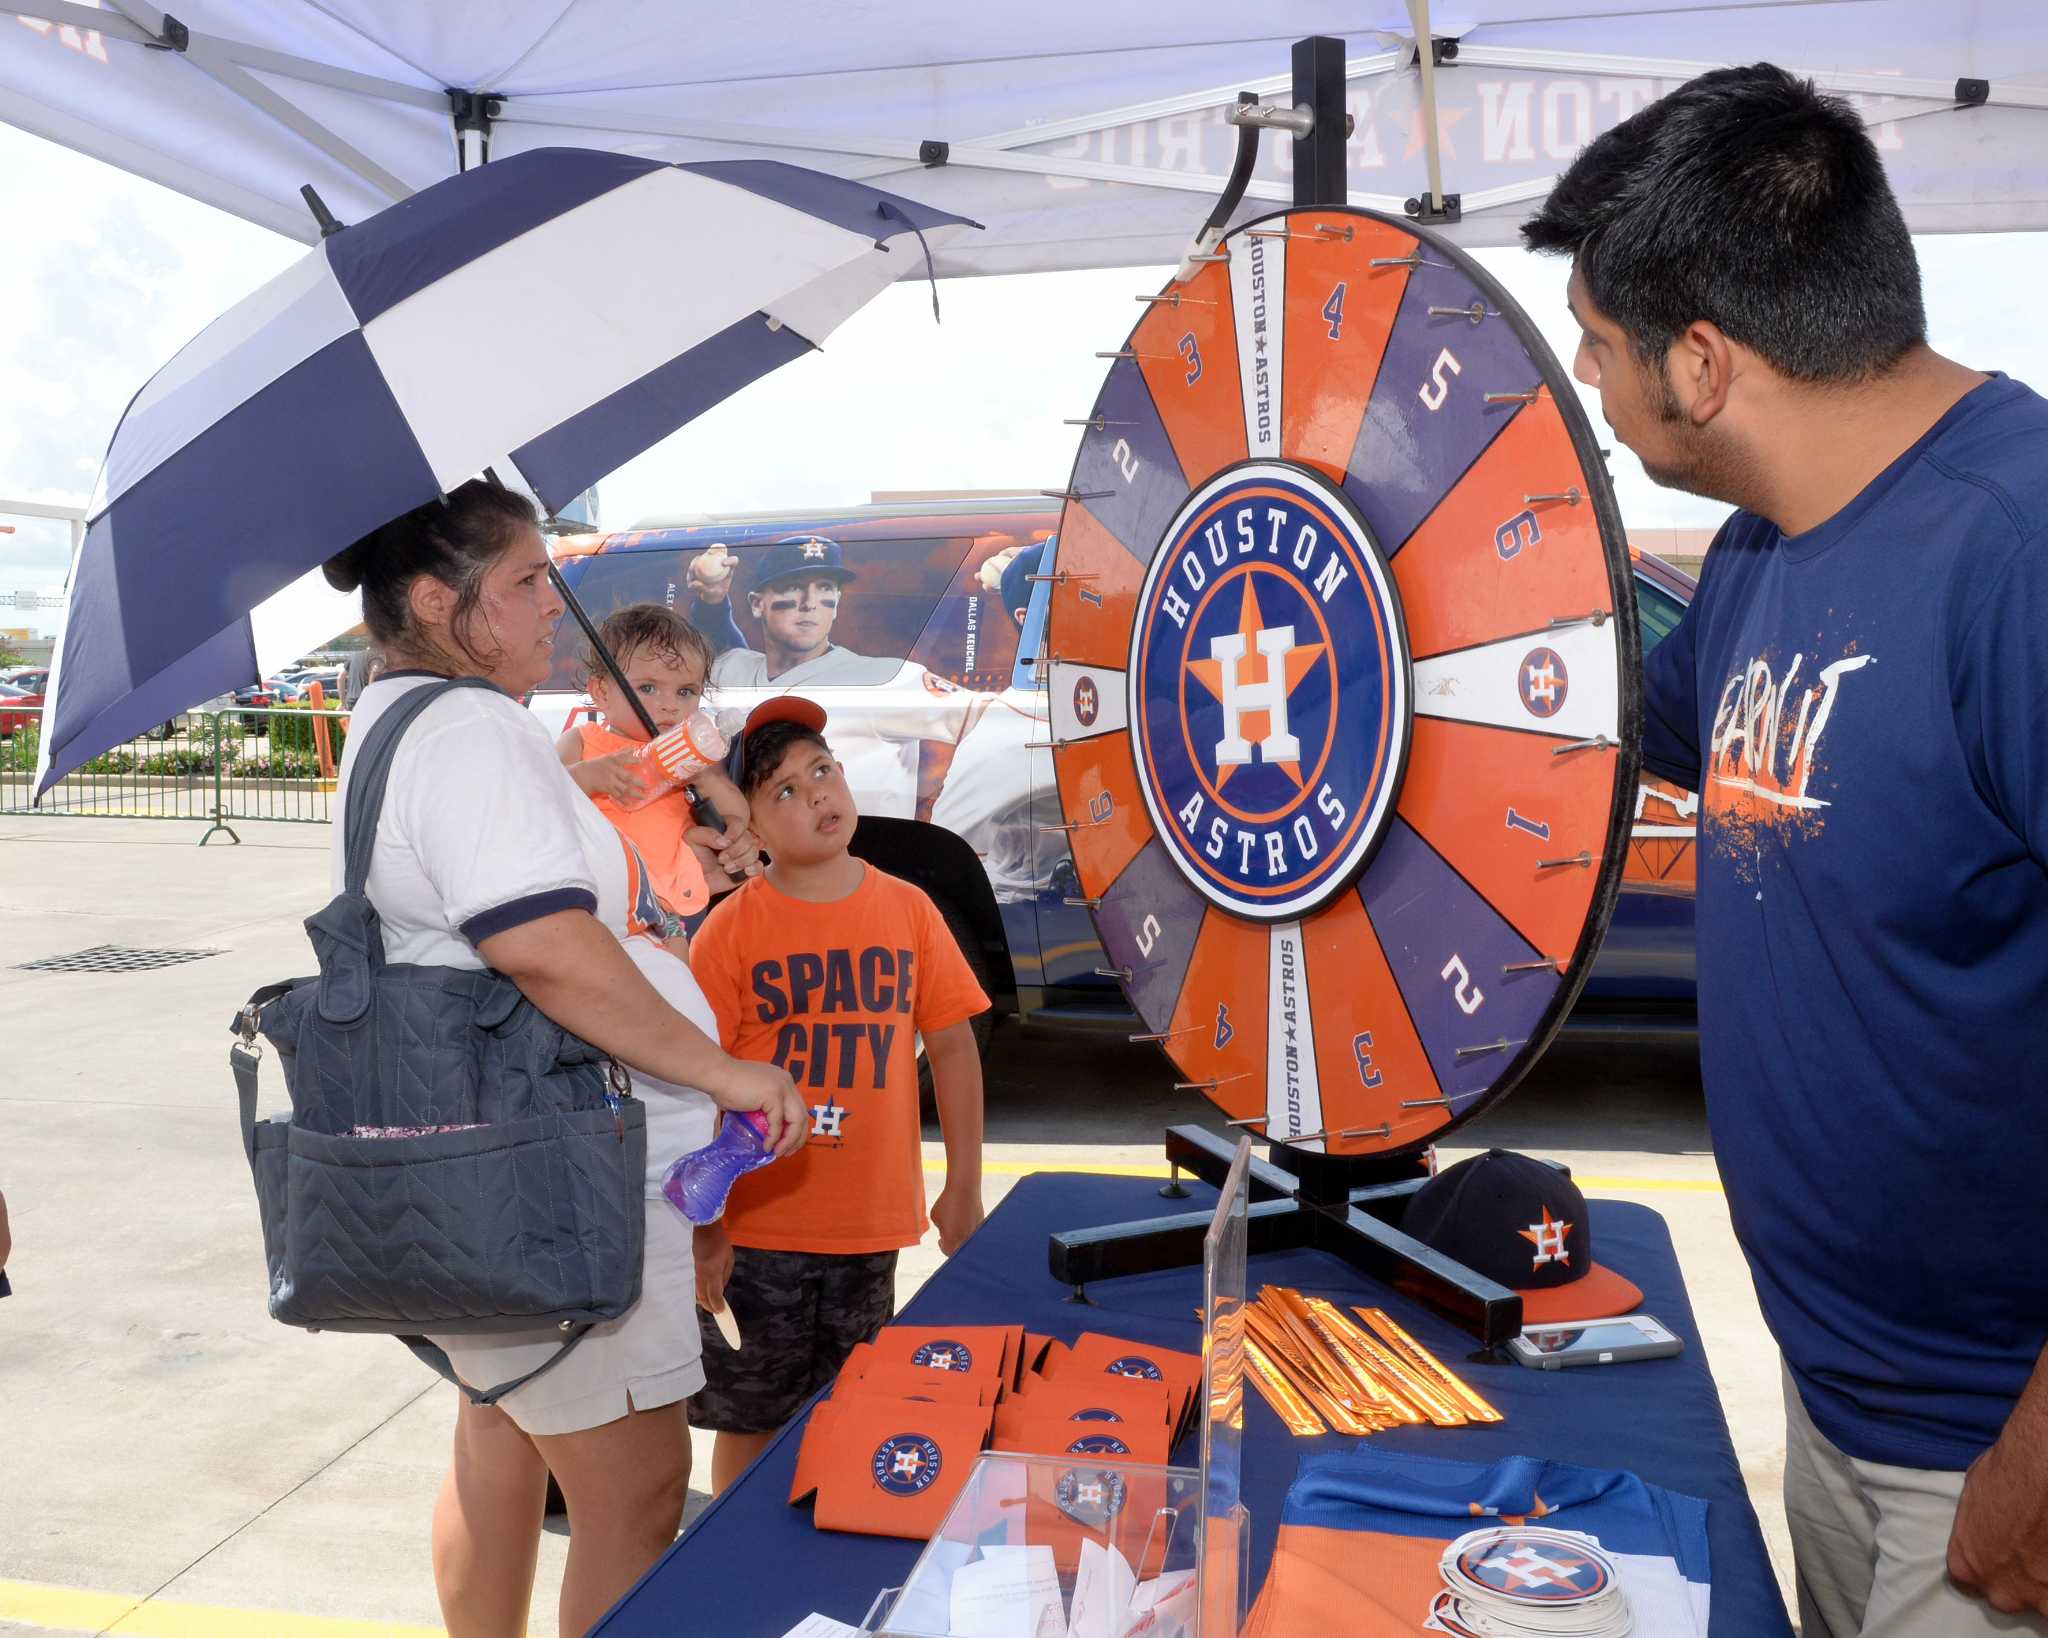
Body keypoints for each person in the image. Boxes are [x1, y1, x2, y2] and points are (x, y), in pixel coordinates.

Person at [1523, 64, 2048, 1635]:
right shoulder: (1763, 551)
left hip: (1993, 1453)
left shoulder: (2015, 553)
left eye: (1600, 351)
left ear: (1702, 361)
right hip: (1832, 1405)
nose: (1588, 386)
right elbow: (1609, 720)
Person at [319, 479, 810, 1638]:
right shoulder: (470, 727)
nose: (556, 602)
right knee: (634, 1498)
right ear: (442, 601)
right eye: (529, 580)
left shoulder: (398, 719)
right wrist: (720, 1071)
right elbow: (538, 942)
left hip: (483, 1174)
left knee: (498, 1445)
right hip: (558, 1179)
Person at [683, 697, 990, 1495]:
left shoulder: (908, 909)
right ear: (746, 825)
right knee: (752, 1427)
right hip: (760, 1232)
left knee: (855, 1419)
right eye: (782, 790)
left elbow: (954, 1049)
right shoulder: (729, 930)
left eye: (822, 771)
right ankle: (735, 1593)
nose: (815, 794)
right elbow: (697, 1087)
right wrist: (707, 1232)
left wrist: (963, 1185)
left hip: (867, 1229)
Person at [685, 535, 987, 819]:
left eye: (825, 588)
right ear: (756, 603)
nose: (809, 601)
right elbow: (697, 650)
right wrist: (712, 601)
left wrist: (957, 816)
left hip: (861, 861)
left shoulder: (883, 677)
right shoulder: (732, 665)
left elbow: (994, 721)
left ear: (837, 602)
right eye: (792, 586)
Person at [554, 601, 760, 928]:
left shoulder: (695, 758)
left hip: (676, 901)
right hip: (602, 906)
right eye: (647, 688)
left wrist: (706, 777)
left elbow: (736, 814)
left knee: (674, 977)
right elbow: (543, 798)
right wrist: (587, 777)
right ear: (602, 692)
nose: (669, 706)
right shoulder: (582, 742)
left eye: (685, 692)